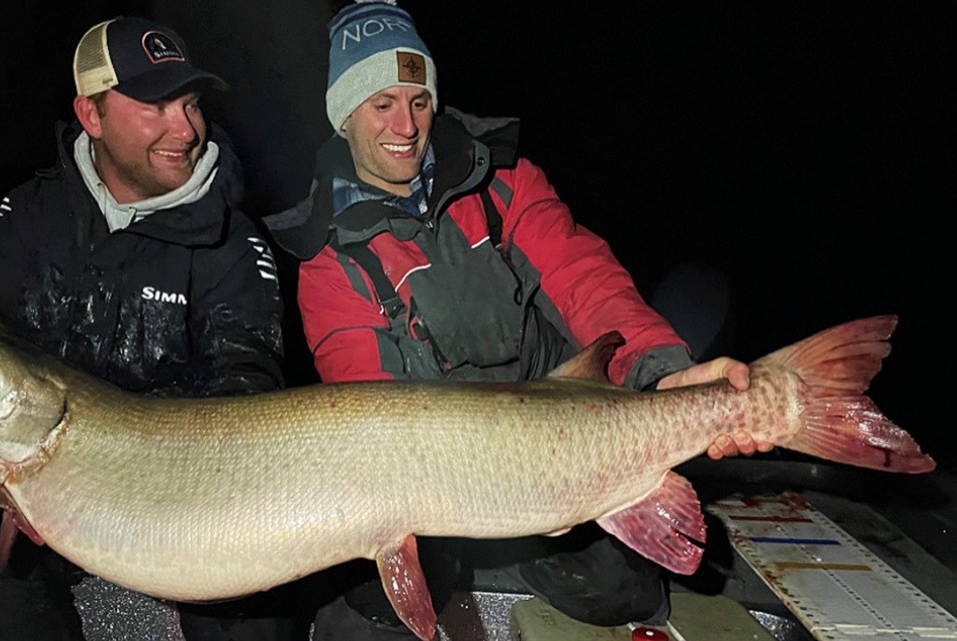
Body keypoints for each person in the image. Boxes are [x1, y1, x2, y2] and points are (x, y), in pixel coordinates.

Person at [261, 0, 771, 637]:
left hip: (561, 439)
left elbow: (584, 279)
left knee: (622, 596)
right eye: (381, 102)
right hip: (435, 480)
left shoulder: (502, 182)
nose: (406, 124)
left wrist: (663, 373)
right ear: (344, 115)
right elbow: (369, 402)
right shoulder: (327, 255)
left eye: (419, 101)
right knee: (367, 605)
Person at [0, 16, 288, 641]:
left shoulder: (232, 242)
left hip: (182, 495)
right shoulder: (32, 213)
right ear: (91, 113)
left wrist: (134, 462)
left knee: (260, 613)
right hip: (39, 480)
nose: (184, 129)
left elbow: (249, 381)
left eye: (189, 104)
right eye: (156, 105)